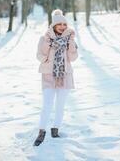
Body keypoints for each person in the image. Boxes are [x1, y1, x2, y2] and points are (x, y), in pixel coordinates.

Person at [33, 9, 78, 146]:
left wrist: (70, 42)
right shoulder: (44, 38)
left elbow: (73, 57)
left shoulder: (70, 39)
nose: (63, 27)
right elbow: (39, 56)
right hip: (49, 76)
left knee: (60, 105)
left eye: (65, 24)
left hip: (65, 76)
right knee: (47, 105)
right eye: (60, 24)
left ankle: (55, 129)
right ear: (54, 25)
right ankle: (41, 132)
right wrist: (47, 55)